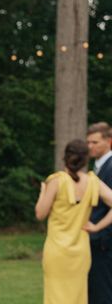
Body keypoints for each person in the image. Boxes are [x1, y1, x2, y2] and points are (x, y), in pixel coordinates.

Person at [35, 139, 112, 304]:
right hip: (81, 252)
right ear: (86, 159)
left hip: (57, 251)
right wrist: (97, 226)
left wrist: (43, 192)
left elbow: (40, 214)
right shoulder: (92, 181)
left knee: (56, 297)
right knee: (78, 297)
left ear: (65, 157)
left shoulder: (56, 181)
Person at [86, 122, 112, 304]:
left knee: (102, 292)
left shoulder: (111, 167)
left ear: (109, 141)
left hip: (105, 242)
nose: (90, 147)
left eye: (94, 142)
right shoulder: (97, 167)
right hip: (96, 242)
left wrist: (98, 231)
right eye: (88, 142)